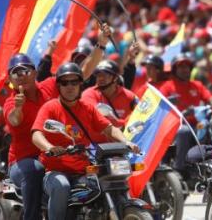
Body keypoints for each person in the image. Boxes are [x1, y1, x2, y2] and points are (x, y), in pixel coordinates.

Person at [31, 63, 139, 220]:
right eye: (65, 83)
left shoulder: (88, 108)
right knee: (62, 186)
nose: (70, 87)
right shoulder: (50, 107)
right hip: (55, 170)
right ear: (59, 86)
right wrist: (51, 147)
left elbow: (110, 129)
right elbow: (36, 134)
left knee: (104, 183)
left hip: (84, 169)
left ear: (80, 84)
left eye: (74, 82)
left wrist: (126, 142)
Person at [3, 54, 49, 220]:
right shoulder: (11, 102)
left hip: (53, 155)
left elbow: (82, 74)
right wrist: (18, 108)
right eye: (16, 73)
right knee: (34, 169)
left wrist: (100, 46)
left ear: (35, 72)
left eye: (25, 71)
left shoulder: (48, 87)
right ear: (10, 79)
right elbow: (14, 120)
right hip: (22, 162)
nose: (21, 76)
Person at [160, 52, 212, 174]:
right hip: (176, 125)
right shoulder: (167, 86)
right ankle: (180, 168)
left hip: (197, 124)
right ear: (175, 69)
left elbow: (211, 98)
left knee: (211, 126)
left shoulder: (197, 85)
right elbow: (160, 106)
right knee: (184, 131)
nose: (184, 70)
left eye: (186, 67)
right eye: (181, 67)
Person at [82, 60, 138, 142]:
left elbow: (139, 117)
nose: (100, 78)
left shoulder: (130, 96)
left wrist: (123, 124)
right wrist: (122, 124)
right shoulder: (88, 95)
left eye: (105, 75)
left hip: (123, 145)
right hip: (95, 146)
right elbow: (98, 119)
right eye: (98, 75)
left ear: (115, 77)